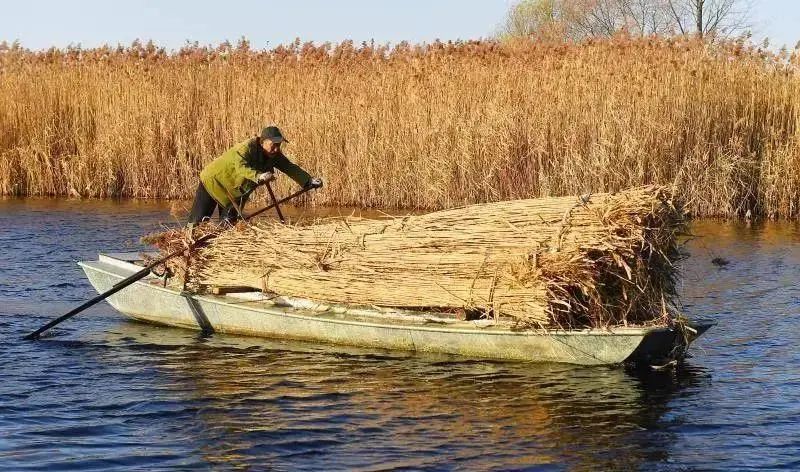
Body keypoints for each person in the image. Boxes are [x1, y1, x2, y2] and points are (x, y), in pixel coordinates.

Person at [187, 126, 322, 226]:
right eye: (273, 145)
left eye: (279, 145)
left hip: (234, 193)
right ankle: (189, 248)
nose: (276, 149)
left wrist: (308, 181)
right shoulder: (246, 148)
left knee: (228, 226)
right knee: (197, 223)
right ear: (262, 142)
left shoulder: (274, 155)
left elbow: (289, 167)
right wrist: (259, 176)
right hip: (214, 183)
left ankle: (221, 254)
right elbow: (241, 167)